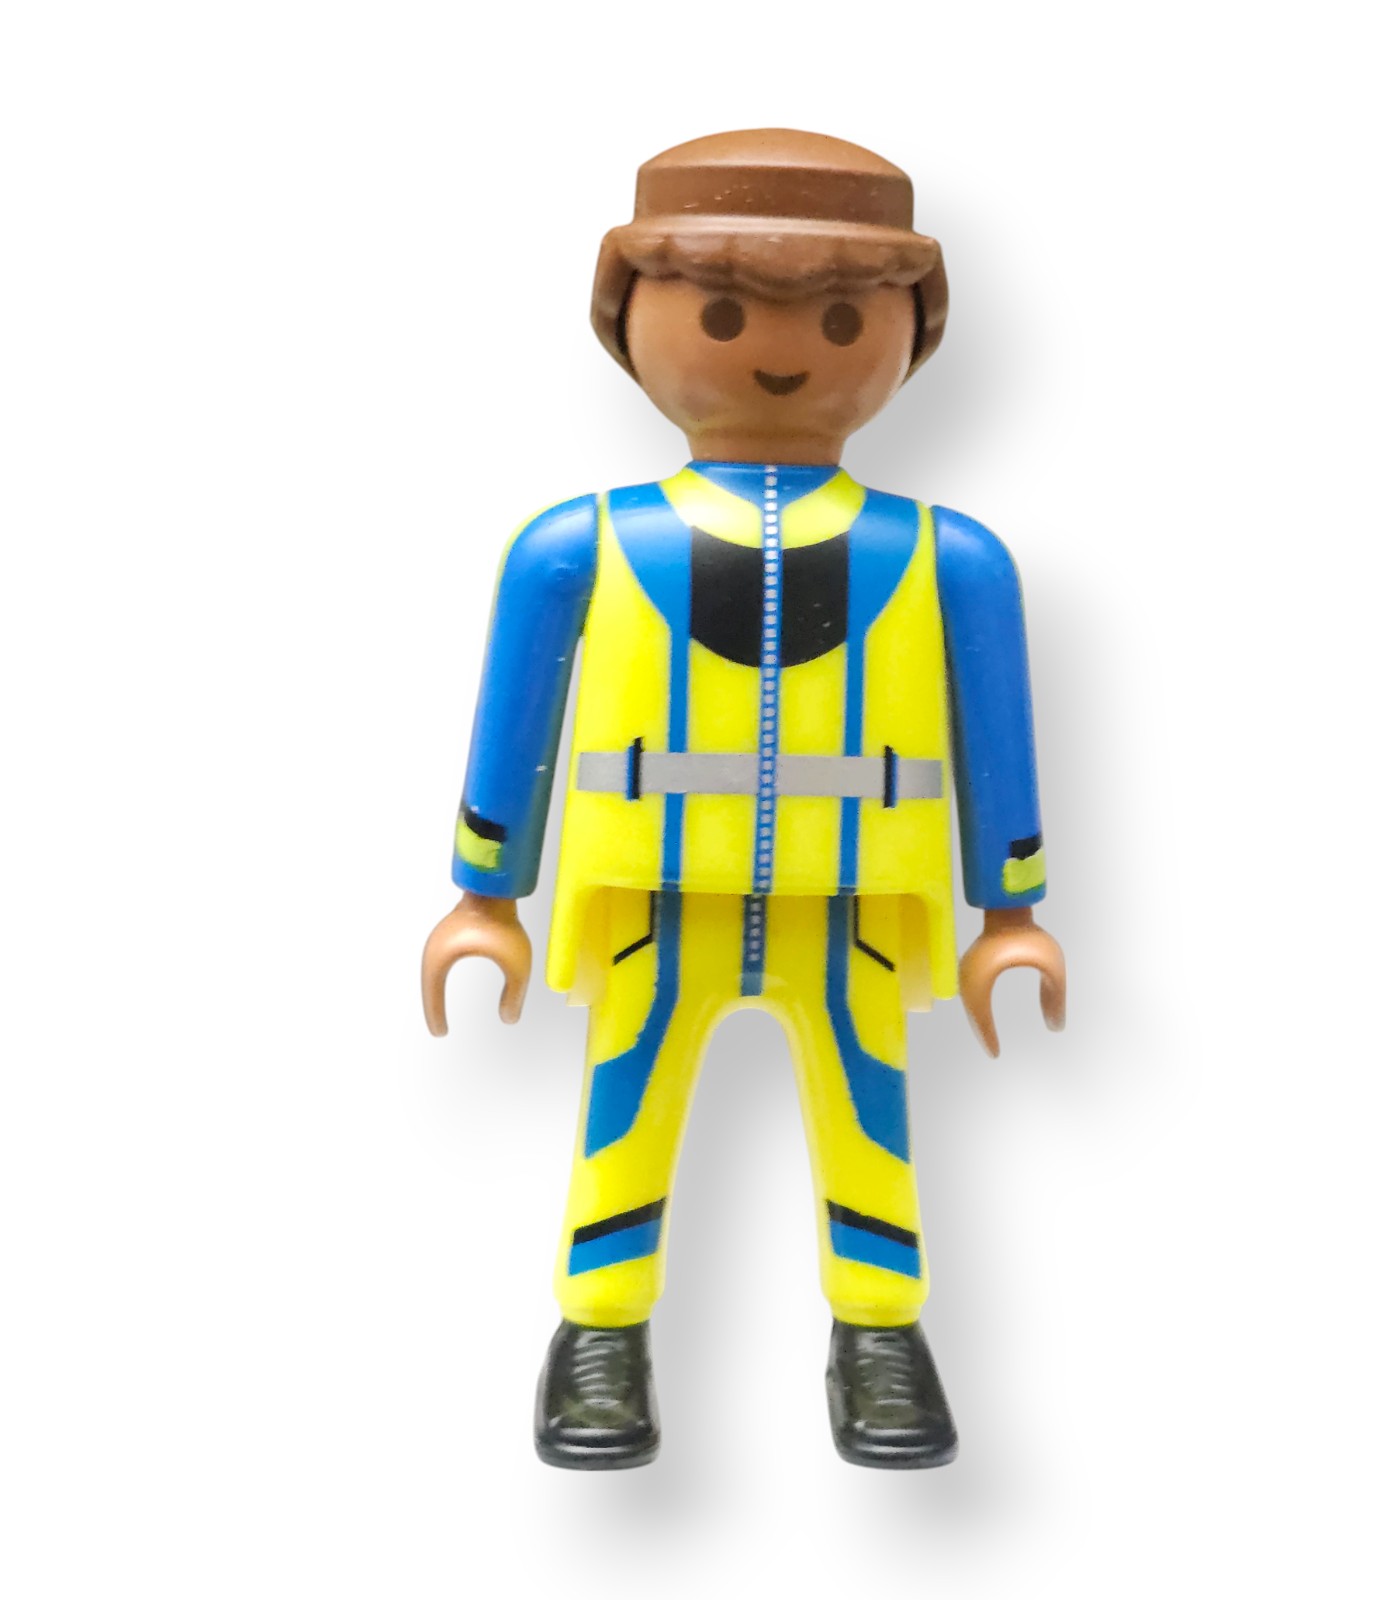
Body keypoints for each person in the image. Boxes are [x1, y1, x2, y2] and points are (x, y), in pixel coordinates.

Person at [421, 128, 1066, 1470]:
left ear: (907, 332)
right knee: (626, 1106)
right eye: (722, 312)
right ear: (630, 320)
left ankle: (880, 1333)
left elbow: (997, 736)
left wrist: (1012, 911)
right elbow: (516, 720)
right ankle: (600, 1330)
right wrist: (484, 892)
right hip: (653, 905)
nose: (781, 351)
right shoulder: (582, 544)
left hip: (859, 910)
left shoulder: (949, 558)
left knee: (872, 1117)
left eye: (839, 318)